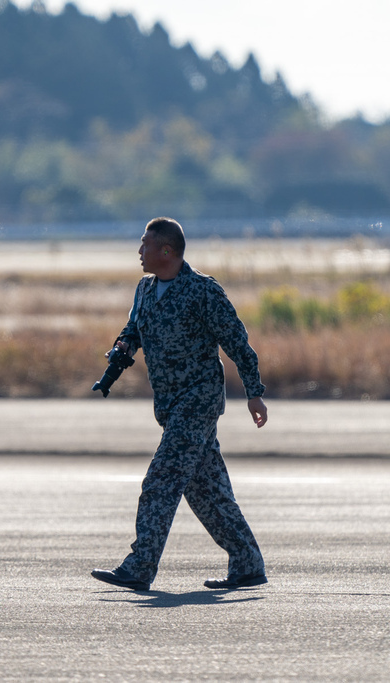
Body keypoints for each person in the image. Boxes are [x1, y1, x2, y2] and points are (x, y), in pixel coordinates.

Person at [91, 217, 268, 591]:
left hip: (199, 400)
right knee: (206, 491)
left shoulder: (203, 291)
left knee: (161, 480)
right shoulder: (144, 289)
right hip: (170, 405)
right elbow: (134, 328)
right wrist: (124, 345)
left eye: (145, 245)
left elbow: (238, 343)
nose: (139, 252)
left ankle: (140, 565)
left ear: (167, 251)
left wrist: (254, 392)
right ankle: (248, 562)